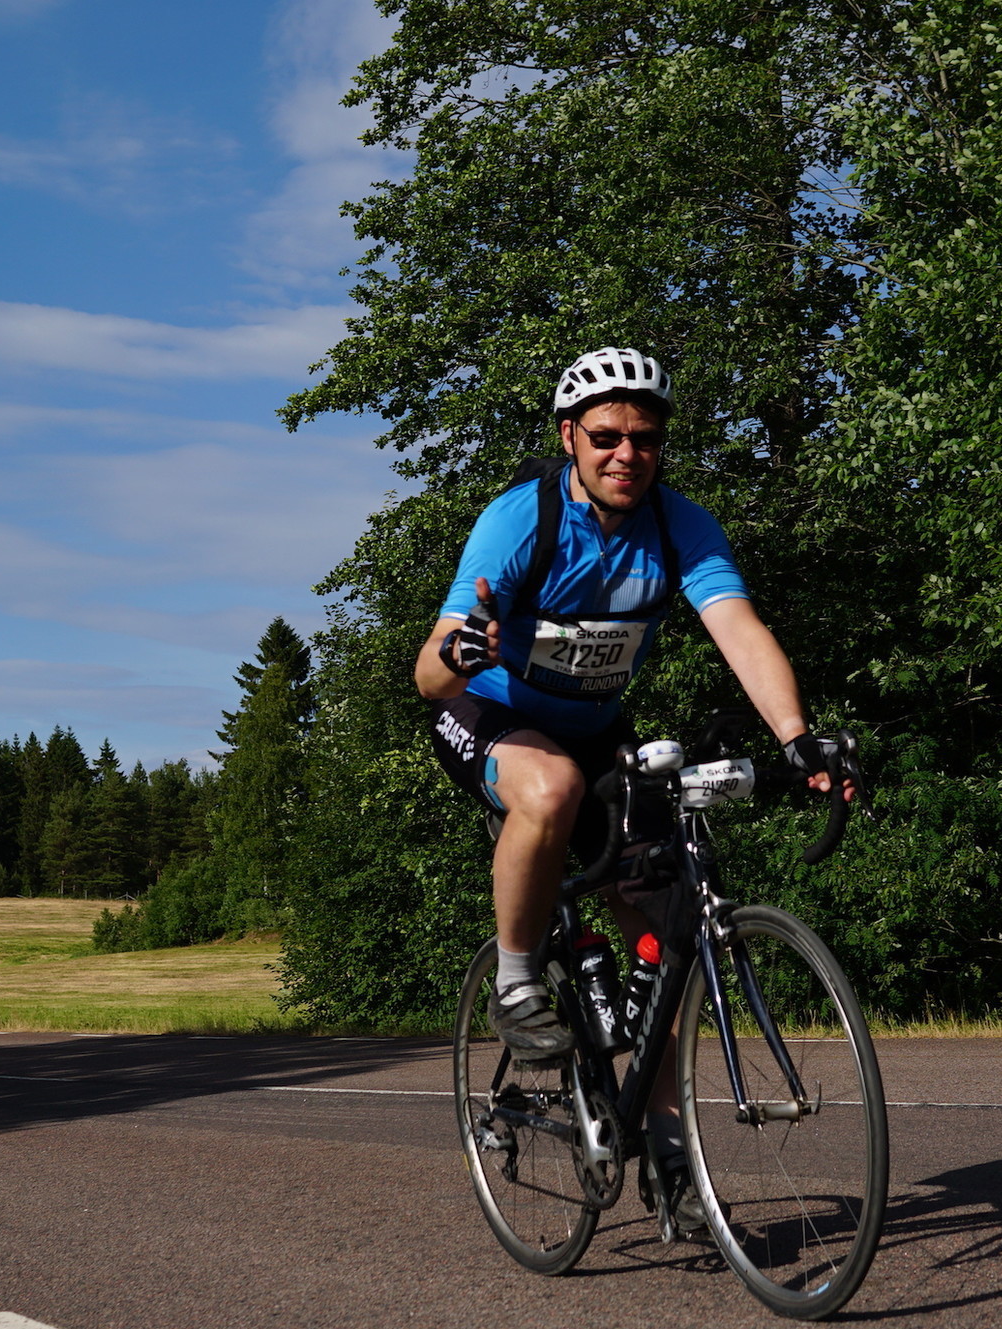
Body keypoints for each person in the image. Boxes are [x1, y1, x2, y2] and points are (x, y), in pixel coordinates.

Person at [414, 346, 843, 1232]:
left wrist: (797, 739)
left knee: (669, 924)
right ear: (569, 436)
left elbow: (739, 629)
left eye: (644, 438)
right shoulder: (522, 520)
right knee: (552, 787)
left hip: (594, 724)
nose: (626, 454)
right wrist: (459, 648)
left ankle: (668, 1149)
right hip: (487, 712)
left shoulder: (680, 526)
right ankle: (517, 978)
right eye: (606, 436)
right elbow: (428, 671)